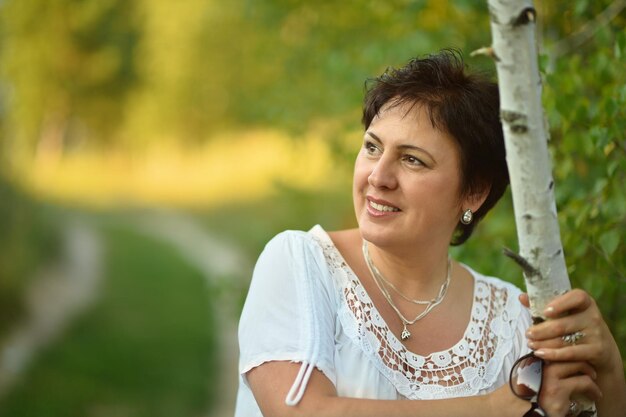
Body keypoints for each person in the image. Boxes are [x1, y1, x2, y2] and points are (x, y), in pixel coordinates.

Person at [234, 50, 626, 417]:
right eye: (372, 147)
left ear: (474, 190)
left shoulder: (514, 324)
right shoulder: (301, 264)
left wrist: (607, 367)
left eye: (412, 160)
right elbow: (303, 412)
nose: (378, 176)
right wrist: (491, 408)